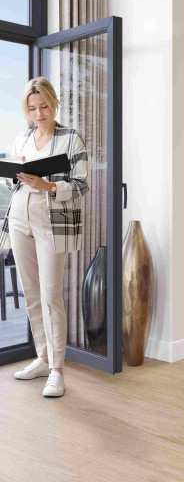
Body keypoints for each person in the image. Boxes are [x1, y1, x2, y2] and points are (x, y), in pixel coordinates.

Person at [0, 77, 89, 398]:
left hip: (53, 223)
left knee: (52, 295)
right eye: (32, 109)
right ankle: (42, 357)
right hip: (20, 218)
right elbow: (12, 181)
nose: (38, 114)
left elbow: (81, 185)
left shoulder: (71, 139)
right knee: (31, 293)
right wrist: (15, 175)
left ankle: (57, 371)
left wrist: (49, 185)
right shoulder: (22, 138)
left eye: (44, 107)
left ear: (54, 104)